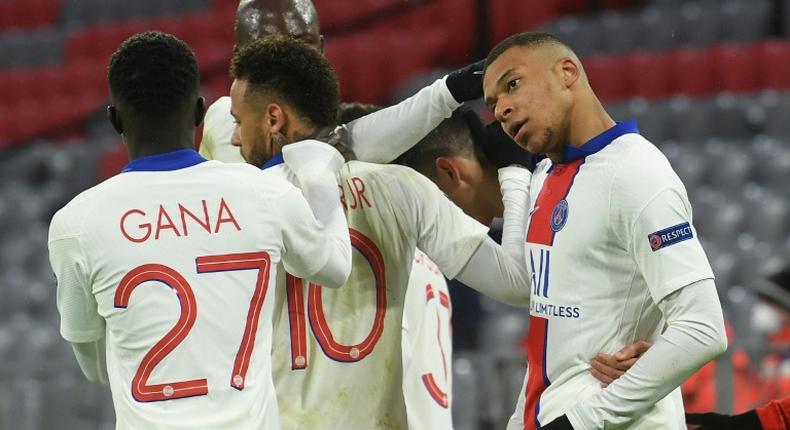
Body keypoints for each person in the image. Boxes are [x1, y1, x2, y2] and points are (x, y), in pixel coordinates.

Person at [48, 31, 353, 429]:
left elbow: (95, 367)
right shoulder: (267, 194)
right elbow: (336, 268)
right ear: (199, 112)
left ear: (114, 118)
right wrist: (319, 171)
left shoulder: (76, 223)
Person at [229, 35, 532, 430]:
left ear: (273, 118)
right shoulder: (404, 187)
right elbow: (518, 282)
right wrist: (515, 172)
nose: (234, 137)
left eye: (238, 122)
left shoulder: (237, 201)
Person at [478, 31, 728, 429]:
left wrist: (579, 422)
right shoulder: (545, 176)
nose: (503, 109)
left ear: (567, 72)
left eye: (512, 84)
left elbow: (703, 328)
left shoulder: (637, 172)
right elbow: (544, 316)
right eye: (493, 104)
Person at [685, 397, 790, 430]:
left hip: (770, 419)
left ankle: (685, 417)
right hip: (770, 419)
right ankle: (685, 417)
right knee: (726, 424)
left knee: (726, 424)